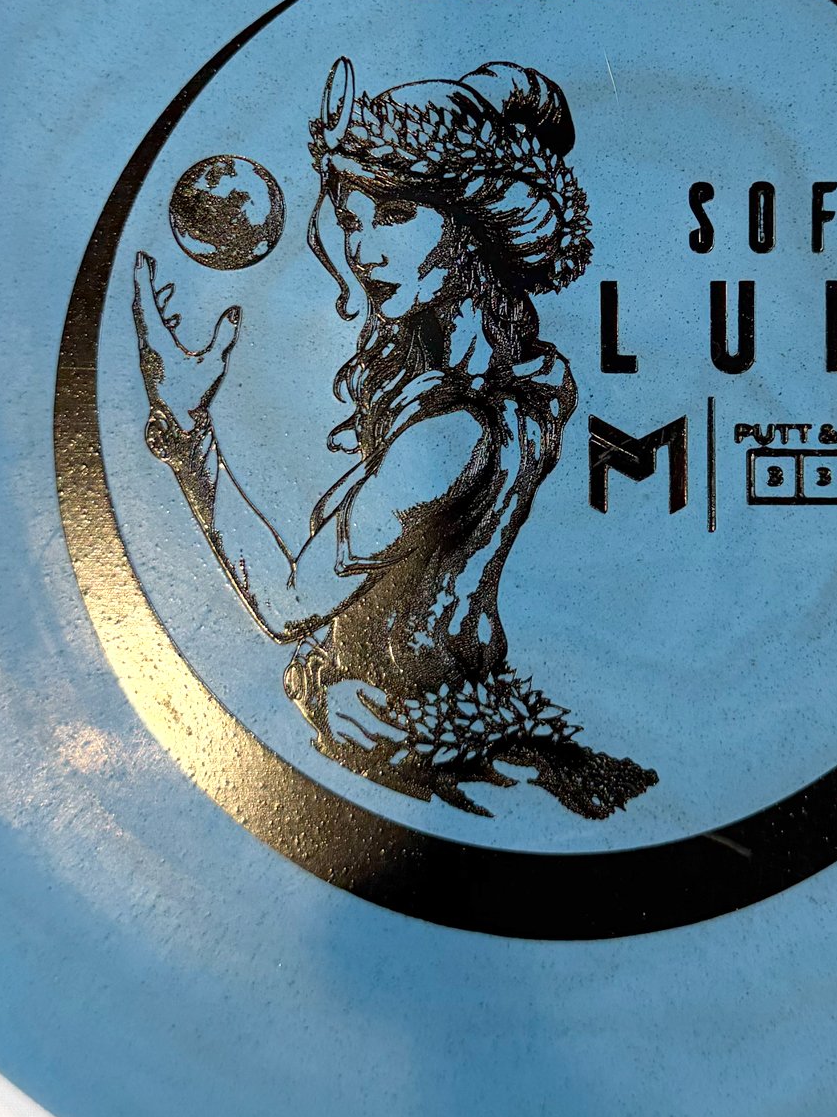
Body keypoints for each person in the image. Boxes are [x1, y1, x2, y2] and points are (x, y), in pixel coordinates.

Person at [133, 56, 657, 820]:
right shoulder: (527, 381)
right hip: (437, 721)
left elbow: (284, 605)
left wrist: (188, 430)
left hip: (410, 748)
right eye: (351, 220)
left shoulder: (449, 432)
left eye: (395, 215)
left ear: (475, 221)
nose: (365, 251)